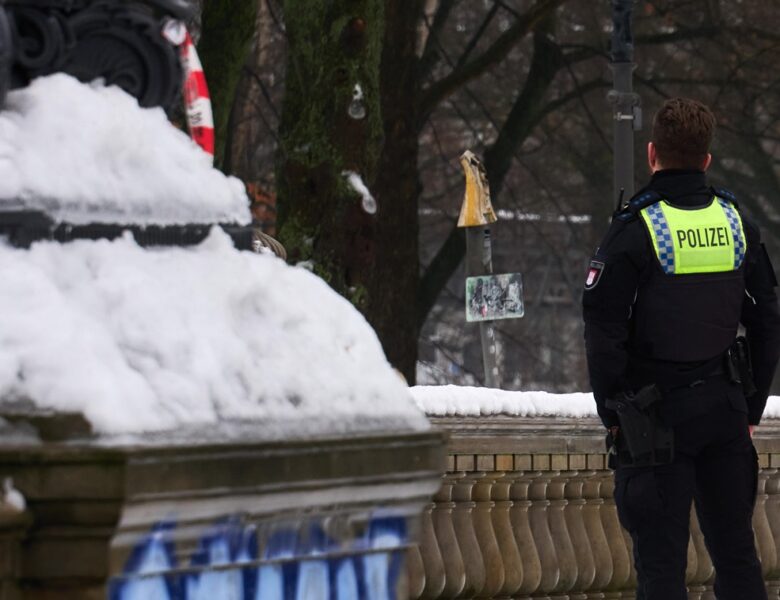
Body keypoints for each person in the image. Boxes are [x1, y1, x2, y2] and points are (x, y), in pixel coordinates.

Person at [582, 97, 780, 600]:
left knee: (661, 567)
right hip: (724, 410)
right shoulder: (737, 224)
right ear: (707, 159)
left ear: (652, 154)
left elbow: (602, 329)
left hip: (655, 420)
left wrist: (612, 411)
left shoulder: (635, 229)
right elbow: (767, 320)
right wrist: (750, 404)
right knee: (737, 555)